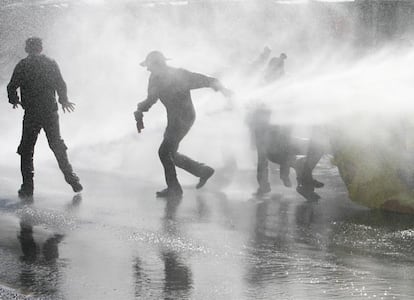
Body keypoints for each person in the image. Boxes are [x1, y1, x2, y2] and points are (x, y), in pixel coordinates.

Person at [134, 51, 232, 198]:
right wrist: (140, 109)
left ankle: (175, 189)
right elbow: (151, 99)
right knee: (170, 153)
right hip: (179, 118)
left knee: (164, 152)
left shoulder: (175, 76)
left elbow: (204, 80)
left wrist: (223, 89)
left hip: (182, 119)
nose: (147, 69)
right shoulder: (163, 77)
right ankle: (202, 171)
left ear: (156, 64)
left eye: (149, 66)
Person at [7, 37, 82, 198]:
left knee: (26, 150)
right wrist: (64, 100)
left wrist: (14, 100)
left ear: (27, 49)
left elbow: (11, 86)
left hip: (32, 113)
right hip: (50, 112)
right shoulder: (50, 63)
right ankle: (72, 179)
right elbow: (60, 84)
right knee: (57, 145)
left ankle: (27, 187)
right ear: (41, 48)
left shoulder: (23, 65)